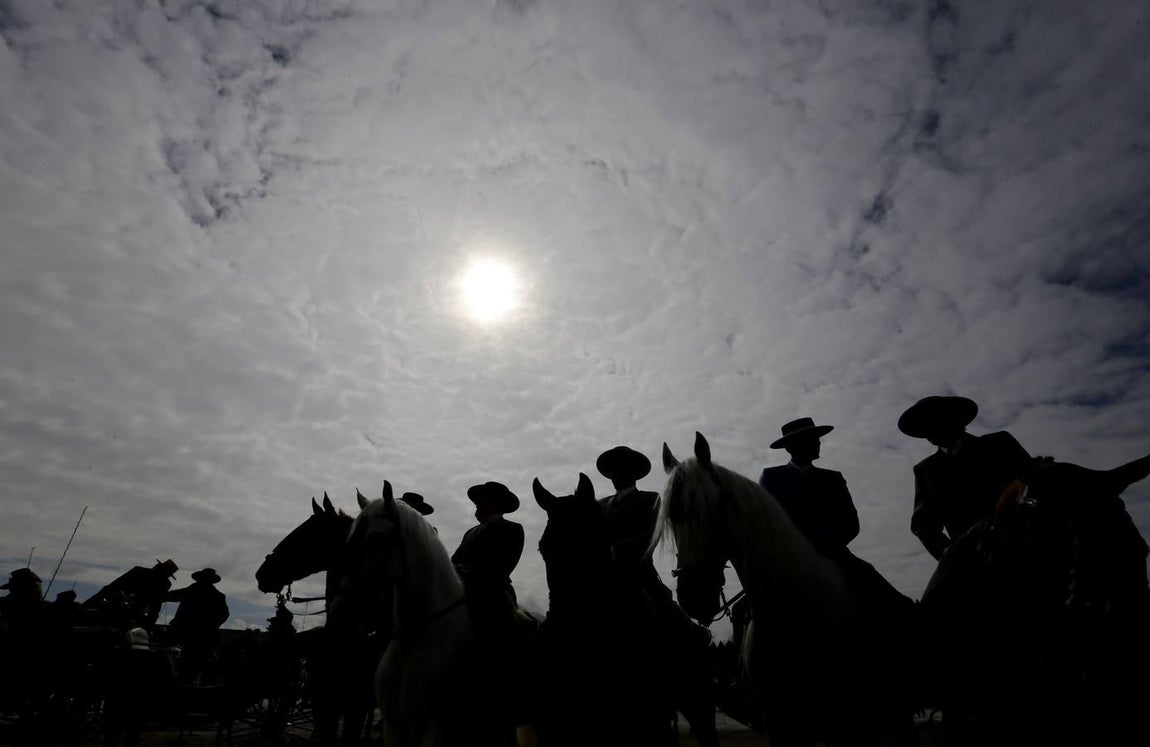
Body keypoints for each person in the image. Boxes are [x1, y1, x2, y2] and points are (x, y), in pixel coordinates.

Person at [759, 419, 912, 618]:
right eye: (813, 440)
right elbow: (763, 522)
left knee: (891, 599)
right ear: (791, 447)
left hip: (834, 556)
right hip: (786, 559)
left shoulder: (833, 479)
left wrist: (821, 547)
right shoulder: (771, 477)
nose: (819, 444)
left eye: (817, 440)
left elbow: (850, 522)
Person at [899, 396, 1037, 560]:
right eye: (923, 425)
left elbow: (1038, 484)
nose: (928, 430)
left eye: (935, 421)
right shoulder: (925, 470)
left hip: (1030, 545)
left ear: (954, 420)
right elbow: (924, 524)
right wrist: (951, 554)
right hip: (977, 562)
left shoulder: (999, 443)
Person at [451, 482, 524, 641]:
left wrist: (471, 572)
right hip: (463, 588)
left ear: (494, 503)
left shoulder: (513, 529)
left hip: (494, 592)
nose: (476, 505)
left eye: (481, 500)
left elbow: (504, 565)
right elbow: (454, 561)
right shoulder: (469, 532)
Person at [165, 568, 229, 683]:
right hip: (205, 636)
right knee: (196, 665)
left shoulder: (192, 591)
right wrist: (212, 626)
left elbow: (172, 595)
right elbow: (224, 615)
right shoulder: (218, 596)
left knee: (184, 663)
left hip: (188, 634)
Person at [83, 559, 178, 628]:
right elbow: (114, 586)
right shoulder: (162, 582)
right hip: (119, 604)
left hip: (132, 613)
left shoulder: (161, 583)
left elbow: (155, 605)